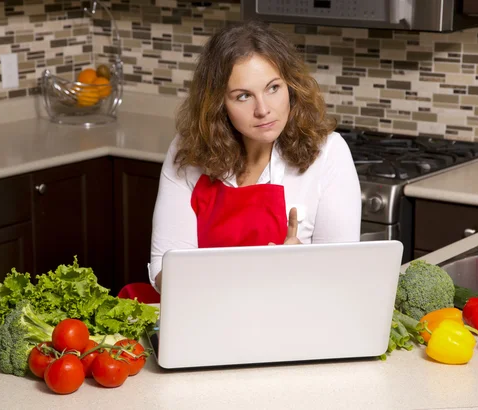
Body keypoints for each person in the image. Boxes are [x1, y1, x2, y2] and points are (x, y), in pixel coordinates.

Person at [148, 20, 361, 292]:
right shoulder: (188, 151)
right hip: (205, 317)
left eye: (273, 88)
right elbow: (165, 269)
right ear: (217, 104)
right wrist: (256, 273)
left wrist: (304, 267)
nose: (263, 109)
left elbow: (343, 278)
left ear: (291, 87)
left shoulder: (329, 153)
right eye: (243, 96)